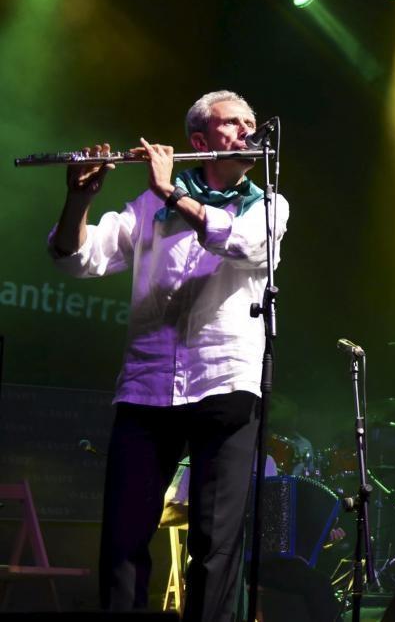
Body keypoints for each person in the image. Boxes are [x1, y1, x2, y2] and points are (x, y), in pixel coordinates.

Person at [49, 90, 288, 621]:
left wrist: (173, 194)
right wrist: (79, 200)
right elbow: (76, 259)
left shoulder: (269, 206)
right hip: (146, 386)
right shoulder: (146, 207)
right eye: (234, 124)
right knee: (123, 539)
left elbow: (248, 247)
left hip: (225, 384)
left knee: (215, 545)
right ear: (199, 141)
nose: (249, 132)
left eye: (252, 122)